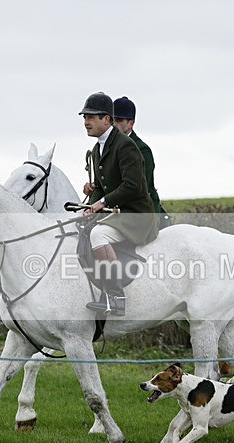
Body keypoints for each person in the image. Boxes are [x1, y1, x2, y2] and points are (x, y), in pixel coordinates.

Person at [79, 91, 159, 316]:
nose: (86, 122)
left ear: (107, 119)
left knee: (99, 235)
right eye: (84, 117)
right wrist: (88, 208)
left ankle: (115, 296)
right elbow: (102, 188)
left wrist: (102, 202)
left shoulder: (126, 145)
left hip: (137, 216)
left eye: (91, 117)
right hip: (117, 213)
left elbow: (133, 186)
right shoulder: (97, 149)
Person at [111, 96, 168, 222]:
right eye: (112, 120)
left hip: (143, 212)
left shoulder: (142, 150)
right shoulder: (108, 148)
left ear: (131, 123)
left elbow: (140, 188)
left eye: (119, 120)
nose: (114, 124)